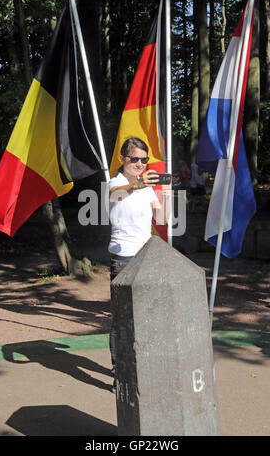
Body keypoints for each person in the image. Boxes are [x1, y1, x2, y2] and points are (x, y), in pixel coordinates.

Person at [108, 137, 170, 390]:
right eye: (135, 159)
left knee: (149, 315)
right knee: (123, 318)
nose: (140, 164)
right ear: (123, 159)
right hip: (123, 258)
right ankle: (119, 372)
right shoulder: (116, 183)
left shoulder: (145, 186)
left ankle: (145, 368)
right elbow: (117, 195)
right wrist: (138, 184)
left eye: (144, 160)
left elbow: (162, 218)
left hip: (147, 257)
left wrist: (166, 194)